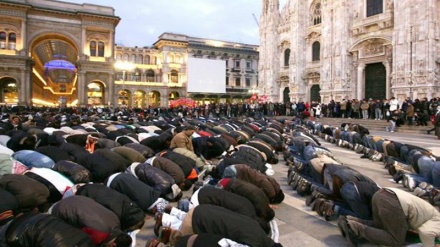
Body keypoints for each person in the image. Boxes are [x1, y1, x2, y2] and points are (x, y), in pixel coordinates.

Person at [338, 188, 440, 247]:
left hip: (383, 194)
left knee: (381, 226)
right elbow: (426, 233)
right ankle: (355, 227)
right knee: (396, 240)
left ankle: (349, 220)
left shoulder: (433, 214)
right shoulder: (438, 221)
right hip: (394, 203)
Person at [49, 195, 132, 247]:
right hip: (60, 210)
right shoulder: (99, 235)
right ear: (114, 244)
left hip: (75, 199)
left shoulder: (116, 221)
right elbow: (79, 239)